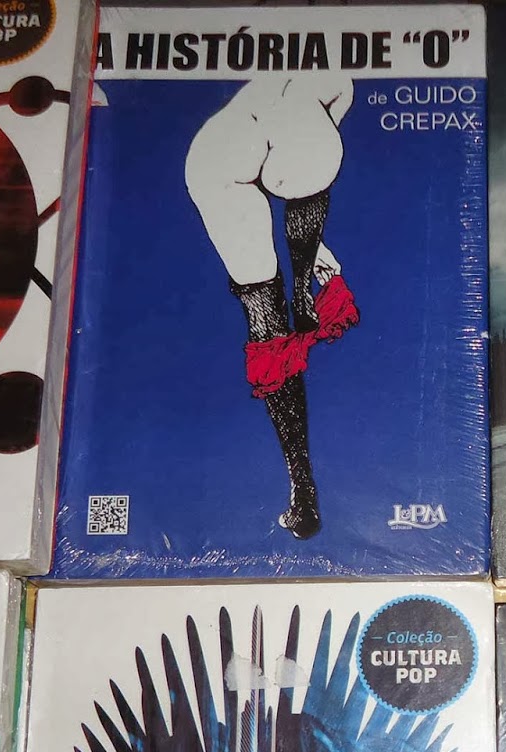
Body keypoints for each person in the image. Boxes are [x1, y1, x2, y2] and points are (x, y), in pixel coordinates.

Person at [185, 75, 361, 539]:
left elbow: (310, 185)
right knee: (267, 322)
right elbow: (299, 183)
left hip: (288, 144)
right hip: (224, 174)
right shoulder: (220, 159)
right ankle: (301, 482)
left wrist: (312, 253)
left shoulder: (336, 87)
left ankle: (299, 295)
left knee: (287, 306)